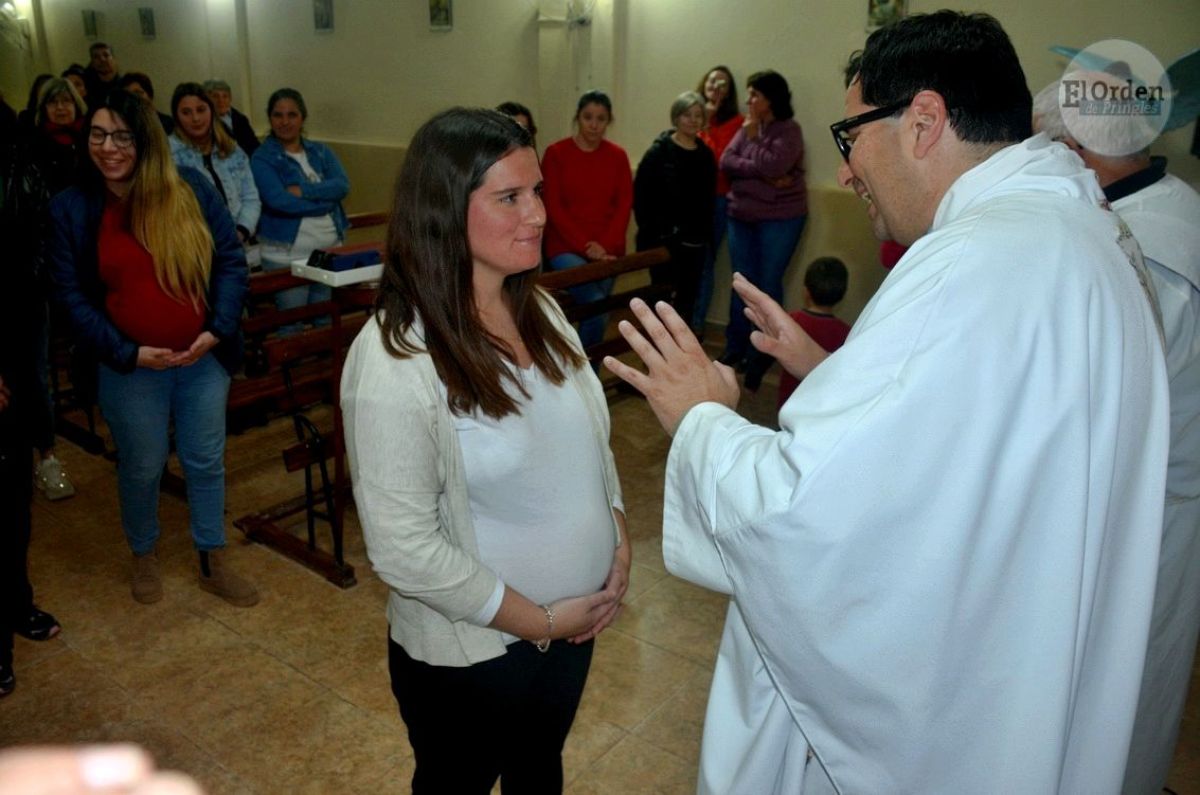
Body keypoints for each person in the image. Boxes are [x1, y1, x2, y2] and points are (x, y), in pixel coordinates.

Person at [604, 11, 1169, 793]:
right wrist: (830, 366)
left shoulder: (965, 264)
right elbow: (950, 441)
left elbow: (810, 519)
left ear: (924, 121)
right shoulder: (1077, 232)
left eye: (851, 137)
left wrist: (701, 416)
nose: (845, 171)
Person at [341, 107, 629, 793]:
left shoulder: (542, 310)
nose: (538, 214)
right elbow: (403, 547)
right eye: (510, 197)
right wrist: (538, 619)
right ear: (443, 210)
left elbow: (589, 439)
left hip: (568, 633)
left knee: (538, 772)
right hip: (475, 651)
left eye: (537, 192)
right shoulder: (395, 356)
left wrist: (615, 537)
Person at [1034, 72, 1200, 795]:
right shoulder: (1172, 208)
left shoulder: (1152, 250)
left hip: (1147, 505)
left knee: (1115, 692)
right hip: (1145, 494)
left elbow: (1102, 402)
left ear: (1078, 148)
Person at [48, 89, 257, 608]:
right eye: (98, 134)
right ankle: (144, 552)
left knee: (205, 461)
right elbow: (70, 297)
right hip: (131, 366)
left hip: (202, 358)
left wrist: (217, 328)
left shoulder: (187, 189)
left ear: (145, 141)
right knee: (142, 465)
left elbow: (230, 261)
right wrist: (128, 352)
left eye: (122, 135)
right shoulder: (72, 207)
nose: (109, 147)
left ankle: (212, 558)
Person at [1, 112, 62, 699]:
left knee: (11, 499)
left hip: (10, 341)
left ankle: (15, 603)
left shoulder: (14, 142)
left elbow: (32, 241)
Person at [718, 69, 807, 369]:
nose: (748, 100)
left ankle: (761, 354)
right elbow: (726, 161)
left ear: (770, 99)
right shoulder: (747, 127)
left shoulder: (789, 130)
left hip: (779, 219)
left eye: (754, 94)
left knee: (767, 285)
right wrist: (769, 176)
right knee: (741, 284)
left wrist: (757, 151)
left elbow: (776, 164)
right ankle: (735, 348)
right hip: (740, 216)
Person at [26, 76, 89, 501]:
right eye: (54, 102)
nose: (62, 108)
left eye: (69, 101)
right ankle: (45, 455)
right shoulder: (30, 149)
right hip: (39, 268)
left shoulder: (89, 147)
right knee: (32, 371)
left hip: (83, 258)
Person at [541, 90, 633, 350]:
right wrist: (586, 247)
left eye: (601, 118)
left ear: (609, 121)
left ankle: (583, 379)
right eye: (588, 117)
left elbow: (623, 205)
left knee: (596, 314)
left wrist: (604, 246)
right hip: (565, 247)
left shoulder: (617, 156)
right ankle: (581, 378)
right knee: (596, 308)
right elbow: (554, 208)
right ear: (578, 118)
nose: (594, 124)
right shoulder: (556, 153)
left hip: (608, 248)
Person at [251, 87, 348, 321]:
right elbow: (279, 201)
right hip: (286, 255)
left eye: (292, 115)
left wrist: (304, 190)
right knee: (292, 323)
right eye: (278, 115)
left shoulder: (321, 151)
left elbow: (342, 185)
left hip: (327, 249)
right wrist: (325, 203)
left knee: (324, 319)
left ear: (302, 117)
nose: (285, 121)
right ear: (270, 118)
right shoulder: (262, 158)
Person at [633, 91, 715, 328]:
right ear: (676, 118)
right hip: (662, 242)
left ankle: (681, 353)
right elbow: (641, 197)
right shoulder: (658, 152)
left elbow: (707, 201)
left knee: (687, 300)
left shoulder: (706, 156)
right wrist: (655, 232)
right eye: (687, 115)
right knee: (661, 300)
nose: (693, 120)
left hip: (694, 243)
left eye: (698, 115)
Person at [170, 82, 261, 247]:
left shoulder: (233, 150)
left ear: (211, 111)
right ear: (176, 117)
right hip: (196, 248)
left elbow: (251, 198)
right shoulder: (169, 157)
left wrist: (241, 231)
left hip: (240, 244)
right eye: (186, 112)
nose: (196, 118)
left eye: (201, 110)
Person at [694, 65, 743, 334]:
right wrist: (702, 121)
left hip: (718, 199)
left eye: (723, 84)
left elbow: (718, 163)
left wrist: (707, 126)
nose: (716, 88)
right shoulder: (691, 115)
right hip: (690, 199)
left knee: (705, 263)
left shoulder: (737, 123)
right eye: (712, 82)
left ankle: (697, 325)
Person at [773, 257, 850, 407]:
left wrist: (753, 378)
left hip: (789, 399)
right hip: (820, 402)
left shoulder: (791, 321)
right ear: (841, 295)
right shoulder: (846, 333)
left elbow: (770, 351)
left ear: (806, 291)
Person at [204, 79, 259, 157]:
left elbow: (254, 145)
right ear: (207, 99)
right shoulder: (204, 123)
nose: (221, 100)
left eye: (225, 96)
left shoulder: (241, 119)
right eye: (215, 96)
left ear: (230, 99)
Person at [82, 42, 120, 108]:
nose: (102, 59)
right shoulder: (86, 86)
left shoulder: (124, 84)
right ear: (92, 62)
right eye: (96, 57)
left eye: (106, 55)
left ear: (113, 59)